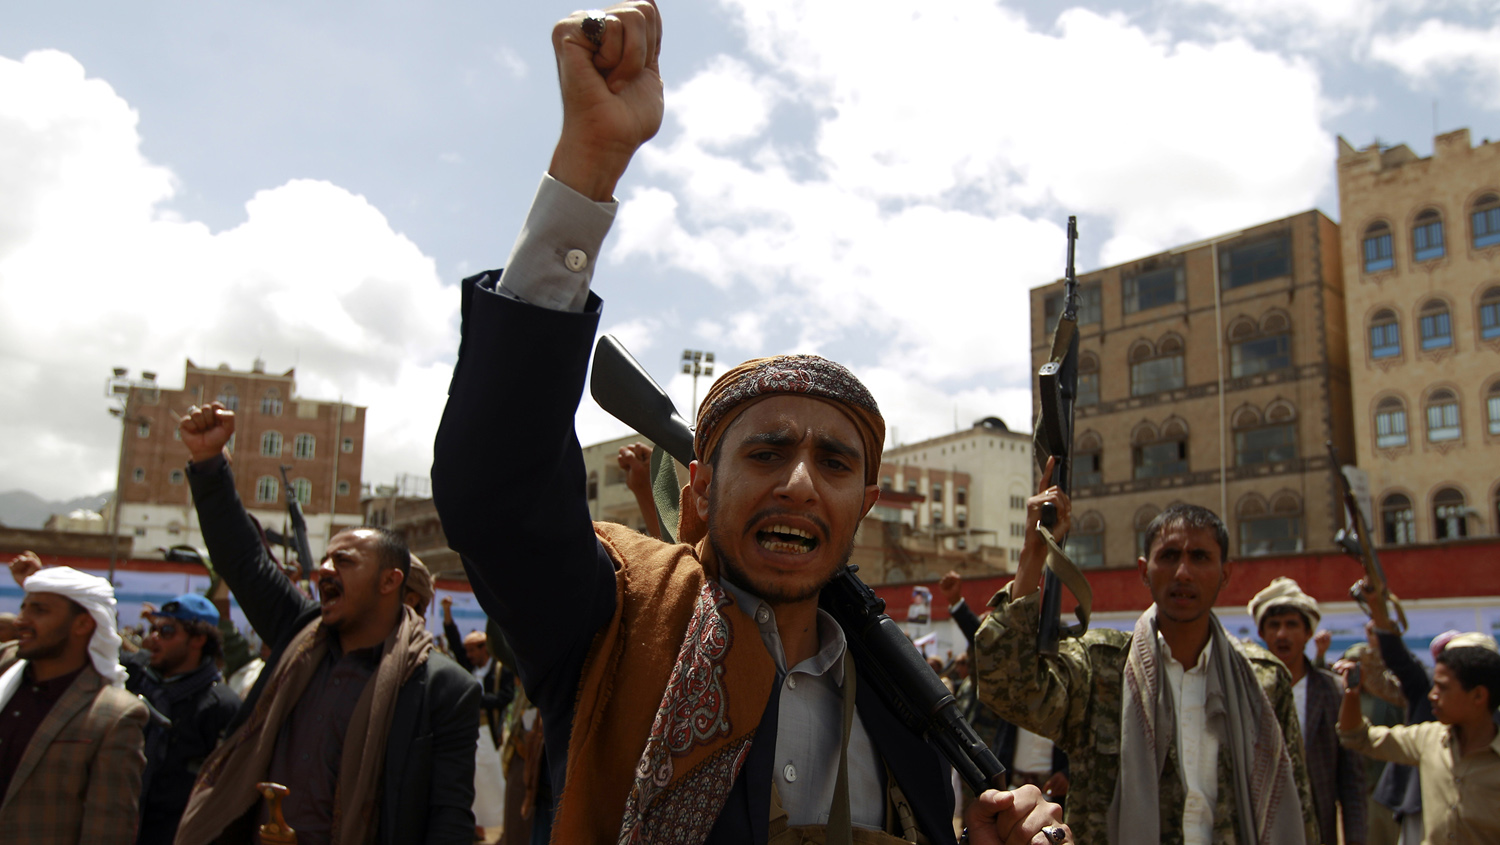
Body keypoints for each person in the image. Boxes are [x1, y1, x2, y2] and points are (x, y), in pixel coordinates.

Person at [430, 4, 1072, 842]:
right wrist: (590, 164)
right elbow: (496, 485)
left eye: (834, 462)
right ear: (701, 485)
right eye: (766, 451)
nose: (800, 483)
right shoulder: (615, 624)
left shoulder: (901, 705)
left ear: (865, 501)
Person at [171, 403, 481, 845]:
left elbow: (448, 817)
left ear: (390, 581)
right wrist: (208, 462)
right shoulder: (298, 634)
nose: (324, 570)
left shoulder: (443, 688)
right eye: (325, 559)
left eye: (344, 560)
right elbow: (243, 559)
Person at [974, 489, 1319, 845]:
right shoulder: (1101, 666)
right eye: (1169, 556)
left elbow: (1298, 805)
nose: (1183, 572)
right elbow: (1009, 687)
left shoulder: (1263, 680)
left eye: (1200, 557)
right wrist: (1034, 552)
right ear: (1144, 571)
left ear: (1225, 573)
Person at [0, 552, 147, 844]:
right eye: (23, 608)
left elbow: (107, 831)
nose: (21, 621)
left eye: (39, 610)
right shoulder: (6, 670)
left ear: (83, 624)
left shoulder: (114, 716)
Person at [1339, 645, 1500, 844]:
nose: (1432, 695)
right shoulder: (1428, 738)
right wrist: (1352, 694)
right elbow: (1358, 737)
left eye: (1442, 687)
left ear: (1478, 695)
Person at [1249, 577, 1365, 845]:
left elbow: (1352, 780)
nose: (1282, 634)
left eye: (1291, 625)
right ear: (1262, 633)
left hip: (1316, 829)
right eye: (1274, 625)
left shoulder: (1332, 691)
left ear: (1308, 633)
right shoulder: (1247, 691)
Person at [939, 571, 1069, 808]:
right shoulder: (1015, 684)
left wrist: (1067, 773)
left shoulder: (1069, 694)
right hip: (1012, 789)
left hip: (1054, 797)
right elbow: (985, 643)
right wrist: (957, 603)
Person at [123, 592, 241, 844]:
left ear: (198, 639)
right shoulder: (132, 678)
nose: (154, 638)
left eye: (167, 631)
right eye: (153, 629)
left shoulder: (221, 707)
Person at [442, 596, 516, 840]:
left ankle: (501, 827)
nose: (469, 655)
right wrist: (447, 613)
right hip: (470, 731)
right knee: (471, 780)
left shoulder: (500, 670)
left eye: (472, 650)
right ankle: (476, 827)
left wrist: (478, 700)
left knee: (493, 783)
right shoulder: (470, 667)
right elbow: (454, 642)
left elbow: (505, 697)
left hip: (490, 734)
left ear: (484, 648)